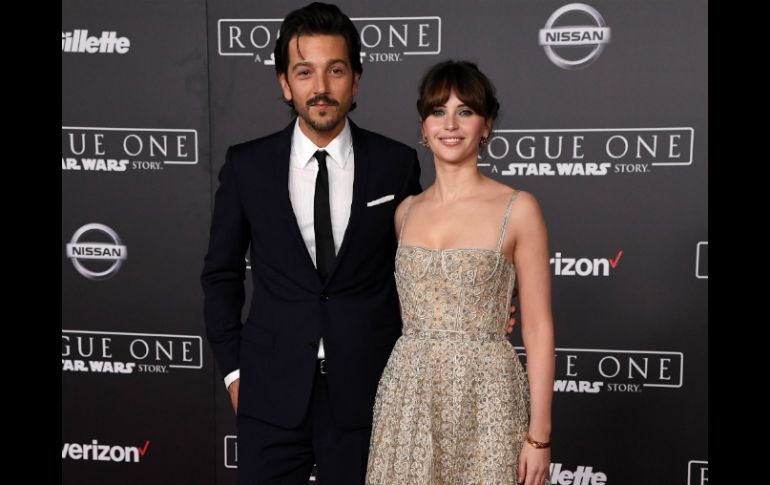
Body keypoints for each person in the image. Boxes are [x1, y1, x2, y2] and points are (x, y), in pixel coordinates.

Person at [201, 3, 421, 483]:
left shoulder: (395, 164)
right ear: (285, 82)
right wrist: (236, 374)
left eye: (335, 70)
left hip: (370, 391)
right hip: (269, 392)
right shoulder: (247, 166)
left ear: (356, 80)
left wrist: (470, 303)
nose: (320, 87)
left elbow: (423, 264)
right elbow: (221, 276)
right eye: (305, 72)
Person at [365, 60, 555, 485]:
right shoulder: (404, 212)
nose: (450, 123)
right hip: (409, 395)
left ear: (485, 125)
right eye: (438, 111)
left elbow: (539, 328)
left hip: (487, 395)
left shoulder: (518, 209)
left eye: (465, 111)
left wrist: (539, 435)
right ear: (423, 126)